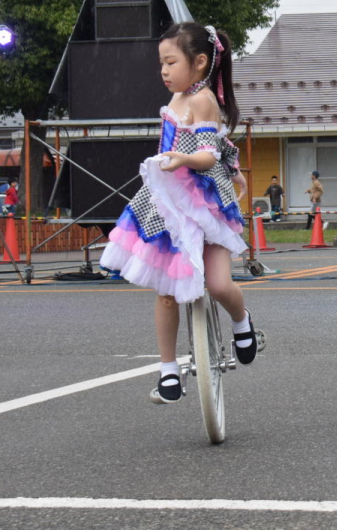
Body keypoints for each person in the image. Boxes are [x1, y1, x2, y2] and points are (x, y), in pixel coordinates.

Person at [98, 22, 258, 404]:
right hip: (168, 202)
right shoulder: (176, 98)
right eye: (162, 63)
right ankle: (168, 369)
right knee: (167, 292)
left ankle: (241, 321)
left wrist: (184, 159)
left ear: (199, 62)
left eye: (171, 62)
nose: (164, 71)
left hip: (205, 203)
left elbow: (208, 154)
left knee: (219, 285)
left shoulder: (203, 100)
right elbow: (203, 144)